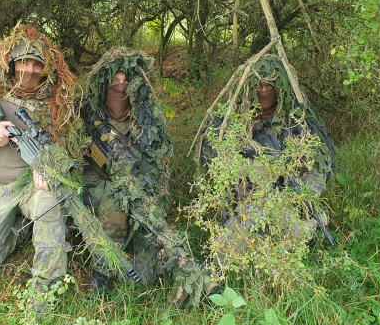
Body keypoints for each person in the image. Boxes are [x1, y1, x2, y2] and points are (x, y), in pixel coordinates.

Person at [0, 25, 134, 303]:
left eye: (37, 65)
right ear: (11, 65)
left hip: (36, 188)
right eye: (23, 63)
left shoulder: (59, 103)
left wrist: (46, 168)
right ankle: (17, 232)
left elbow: (74, 147)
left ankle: (47, 289)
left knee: (48, 201)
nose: (30, 71)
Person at [79, 48, 218, 307]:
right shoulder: (87, 114)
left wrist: (145, 191)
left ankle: (189, 273)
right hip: (98, 190)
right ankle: (101, 274)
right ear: (104, 85)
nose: (120, 89)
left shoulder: (147, 119)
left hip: (140, 194)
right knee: (115, 208)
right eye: (114, 83)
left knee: (147, 276)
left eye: (126, 83)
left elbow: (158, 171)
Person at [201, 54, 336, 246]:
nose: (263, 91)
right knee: (231, 242)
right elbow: (213, 161)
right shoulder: (232, 120)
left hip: (286, 198)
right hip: (246, 201)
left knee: (307, 226)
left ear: (280, 88)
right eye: (259, 86)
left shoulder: (297, 121)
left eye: (269, 86)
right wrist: (247, 165)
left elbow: (318, 165)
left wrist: (305, 194)